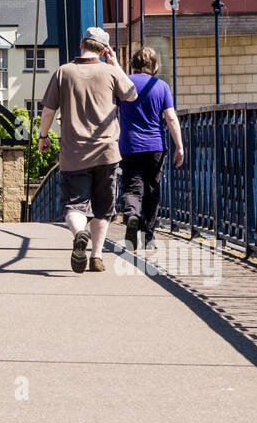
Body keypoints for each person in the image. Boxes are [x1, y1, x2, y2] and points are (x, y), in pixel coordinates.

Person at [38, 27, 138, 274]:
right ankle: (96, 256)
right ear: (104, 50)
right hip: (107, 152)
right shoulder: (111, 71)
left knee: (74, 206)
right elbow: (132, 94)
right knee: (103, 208)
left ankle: (79, 233)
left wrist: (43, 137)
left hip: (74, 155)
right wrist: (115, 64)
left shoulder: (63, 72)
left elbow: (48, 111)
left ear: (81, 42)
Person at [117, 46, 185, 250]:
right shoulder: (161, 86)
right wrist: (179, 146)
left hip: (129, 145)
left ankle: (131, 215)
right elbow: (171, 118)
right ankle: (149, 237)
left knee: (132, 187)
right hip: (155, 145)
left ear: (132, 64)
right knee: (152, 190)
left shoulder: (124, 84)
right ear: (154, 66)